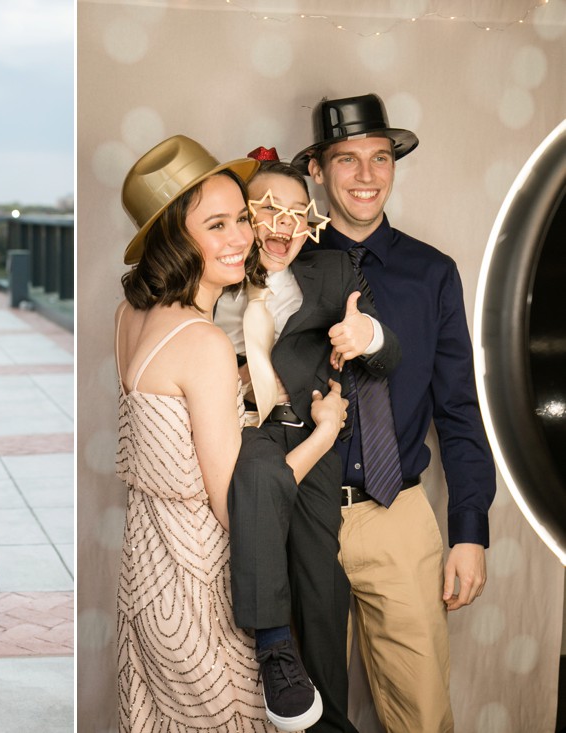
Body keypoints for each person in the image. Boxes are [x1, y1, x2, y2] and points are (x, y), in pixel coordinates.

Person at [114, 134, 347, 733]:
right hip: (199, 588)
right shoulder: (205, 341)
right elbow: (232, 505)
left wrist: (234, 390)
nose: (243, 237)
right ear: (174, 237)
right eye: (216, 225)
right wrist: (323, 433)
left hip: (146, 573)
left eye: (241, 217)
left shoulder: (130, 314)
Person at [291, 93, 496, 732]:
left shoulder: (433, 273)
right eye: (347, 160)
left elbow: (459, 408)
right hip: (303, 512)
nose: (367, 176)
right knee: (303, 713)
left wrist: (469, 528)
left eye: (380, 158)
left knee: (423, 712)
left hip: (398, 512)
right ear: (318, 172)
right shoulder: (280, 265)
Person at [215, 149, 401, 733]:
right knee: (256, 473)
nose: (286, 225)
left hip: (310, 437)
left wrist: (364, 333)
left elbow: (389, 354)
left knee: (323, 589)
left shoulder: (331, 273)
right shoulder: (211, 272)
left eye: (300, 213)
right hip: (238, 432)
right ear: (244, 217)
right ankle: (275, 651)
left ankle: (329, 722)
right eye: (270, 209)